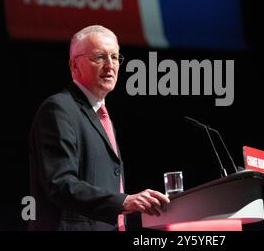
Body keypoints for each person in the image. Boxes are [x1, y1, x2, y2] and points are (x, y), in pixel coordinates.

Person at [28, 25, 169, 231]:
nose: (110, 65)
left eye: (114, 57)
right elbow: (60, 184)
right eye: (100, 57)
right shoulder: (59, 109)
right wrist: (124, 202)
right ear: (74, 65)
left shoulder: (100, 114)